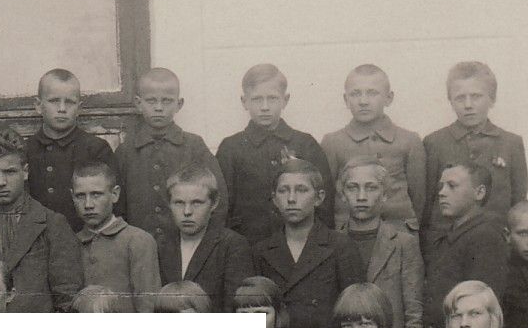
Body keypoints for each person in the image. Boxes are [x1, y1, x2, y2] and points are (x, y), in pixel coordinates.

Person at [251, 160, 367, 328]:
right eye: (284, 191)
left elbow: (354, 310)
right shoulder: (261, 251)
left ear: (319, 197)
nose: (291, 198)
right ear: (274, 199)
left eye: (301, 190)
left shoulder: (340, 246)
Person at [0, 134, 82, 313]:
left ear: (25, 172)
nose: (1, 182)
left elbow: (67, 298)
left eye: (10, 172)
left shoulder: (52, 224)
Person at [215, 62, 331, 243]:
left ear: (285, 100)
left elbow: (324, 203)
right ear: (244, 102)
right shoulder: (230, 148)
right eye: (257, 99)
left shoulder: (305, 144)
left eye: (272, 98)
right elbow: (221, 206)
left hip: (299, 243)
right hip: (247, 244)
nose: (265, 107)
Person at [114, 67, 221, 238]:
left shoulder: (194, 146)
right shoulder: (126, 152)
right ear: (138, 103)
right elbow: (115, 205)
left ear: (179, 104)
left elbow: (216, 197)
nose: (158, 108)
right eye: (151, 101)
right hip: (138, 244)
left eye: (167, 101)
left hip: (185, 243)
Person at [335, 159, 424, 328]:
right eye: (353, 188)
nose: (361, 196)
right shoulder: (332, 242)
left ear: (385, 194)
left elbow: (414, 313)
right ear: (342, 194)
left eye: (371, 187)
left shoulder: (403, 243)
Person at [420, 162, 509, 328]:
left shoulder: (485, 237)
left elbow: (482, 307)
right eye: (441, 186)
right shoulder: (451, 236)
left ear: (479, 193)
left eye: (452, 186)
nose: (442, 193)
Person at [421, 61, 526, 234]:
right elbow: (426, 203)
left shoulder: (511, 143)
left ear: (492, 99)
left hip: (495, 239)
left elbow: (518, 202)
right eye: (460, 98)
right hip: (446, 240)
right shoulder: (434, 143)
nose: (468, 105)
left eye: (476, 96)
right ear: (450, 101)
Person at [321, 64, 428, 231]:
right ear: (346, 99)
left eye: (372, 93)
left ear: (388, 98)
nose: (363, 101)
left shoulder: (410, 141)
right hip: (348, 236)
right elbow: (325, 200)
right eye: (355, 94)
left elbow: (419, 198)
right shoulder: (332, 142)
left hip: (398, 233)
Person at [19, 68, 114, 229]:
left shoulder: (96, 149)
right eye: (54, 101)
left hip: (84, 236)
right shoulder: (26, 149)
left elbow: (111, 204)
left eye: (69, 102)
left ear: (79, 108)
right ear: (38, 106)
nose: (62, 108)